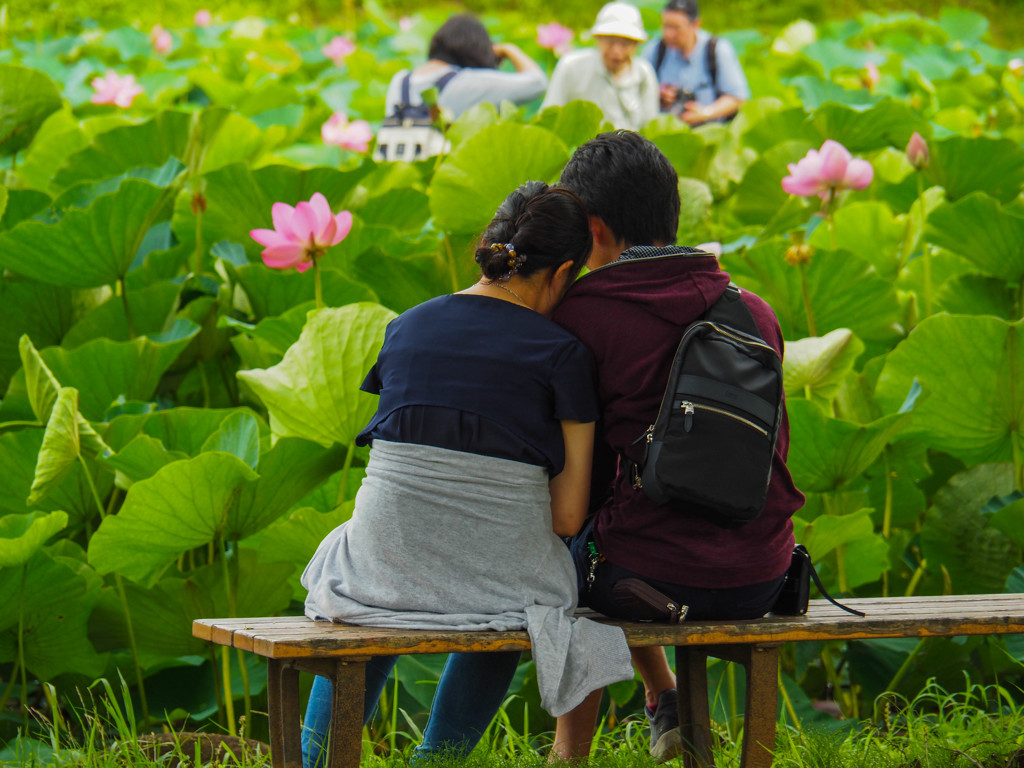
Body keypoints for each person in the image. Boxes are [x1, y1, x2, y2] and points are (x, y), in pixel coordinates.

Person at [300, 182, 633, 768]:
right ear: (562, 272)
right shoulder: (563, 354)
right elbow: (567, 516)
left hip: (380, 563)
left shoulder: (406, 326)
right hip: (496, 578)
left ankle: (313, 758)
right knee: (520, 595)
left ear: (491, 246)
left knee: (376, 589)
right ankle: (439, 760)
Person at [548, 131, 805, 762]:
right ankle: (664, 700)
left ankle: (566, 754)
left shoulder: (584, 315)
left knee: (565, 556)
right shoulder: (754, 310)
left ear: (593, 227)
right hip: (763, 576)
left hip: (645, 582)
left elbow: (579, 484)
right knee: (635, 525)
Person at [383, 14, 547, 121]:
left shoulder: (399, 80)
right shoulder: (468, 82)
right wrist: (508, 49)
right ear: (477, 49)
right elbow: (537, 83)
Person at [541, 2, 659, 131]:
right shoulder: (572, 66)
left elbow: (650, 125)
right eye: (610, 42)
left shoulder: (643, 73)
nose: (617, 51)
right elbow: (550, 114)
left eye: (625, 44)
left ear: (636, 45)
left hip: (630, 149)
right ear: (598, 39)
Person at [643, 0, 750, 125]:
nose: (668, 34)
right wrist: (658, 95)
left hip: (710, 131)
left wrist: (705, 113)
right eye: (665, 26)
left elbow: (737, 98)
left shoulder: (716, 49)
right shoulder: (655, 50)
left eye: (676, 28)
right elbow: (637, 93)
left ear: (695, 25)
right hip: (665, 130)